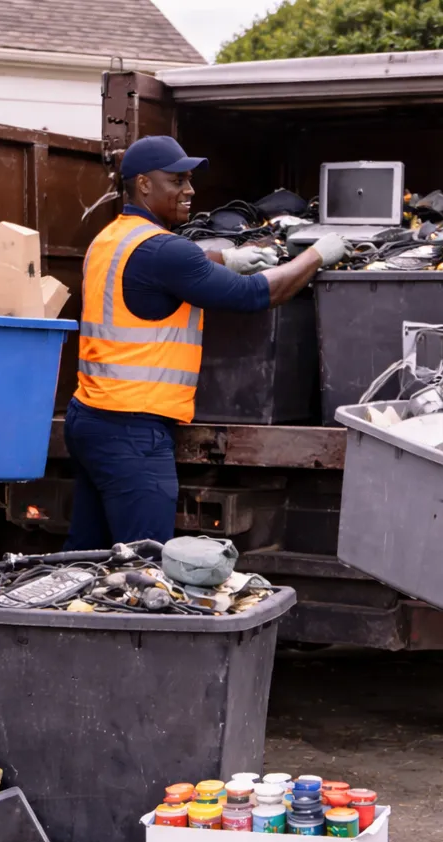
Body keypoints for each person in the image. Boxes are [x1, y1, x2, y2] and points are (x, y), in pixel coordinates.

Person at [64, 135, 345, 550]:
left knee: (85, 556)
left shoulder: (111, 238)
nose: (189, 191)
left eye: (190, 180)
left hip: (89, 418)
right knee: (143, 565)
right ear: (144, 184)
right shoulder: (166, 251)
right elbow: (256, 295)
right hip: (133, 430)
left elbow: (163, 269)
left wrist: (225, 258)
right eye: (177, 180)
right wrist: (317, 255)